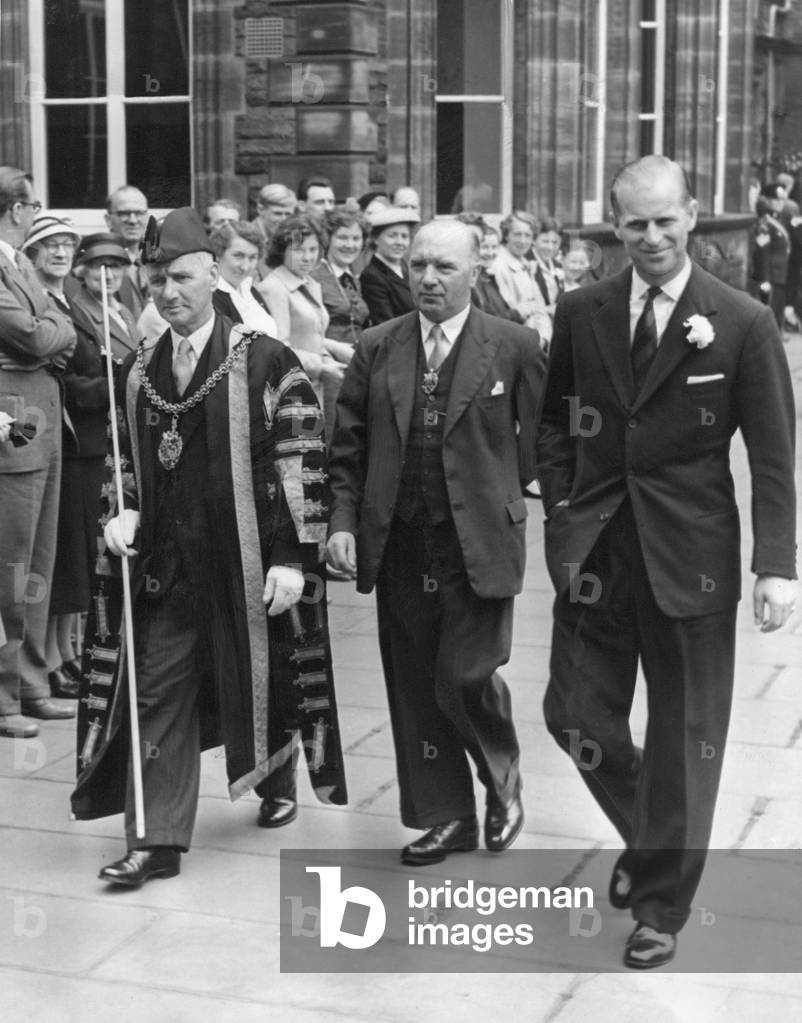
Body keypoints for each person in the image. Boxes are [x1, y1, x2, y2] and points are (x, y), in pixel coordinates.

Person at [535, 154, 796, 969]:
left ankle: (660, 906)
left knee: (687, 737)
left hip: (695, 560)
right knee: (574, 713)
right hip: (597, 555)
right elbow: (553, 423)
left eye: (665, 220)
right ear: (613, 225)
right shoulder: (582, 309)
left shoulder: (742, 320)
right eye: (634, 222)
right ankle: (658, 839)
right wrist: (565, 507)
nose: (651, 236)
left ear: (693, 215)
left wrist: (776, 565)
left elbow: (776, 453)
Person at [73, 207, 347, 885]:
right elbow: (127, 459)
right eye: (159, 277)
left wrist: (291, 557)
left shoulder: (264, 359)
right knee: (158, 688)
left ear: (216, 275)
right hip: (168, 565)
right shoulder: (140, 372)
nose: (169, 290)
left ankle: (277, 777)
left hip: (244, 556)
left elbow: (300, 456)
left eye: (183, 277)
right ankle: (156, 839)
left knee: (259, 672)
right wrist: (124, 510)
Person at [327, 220, 545, 866]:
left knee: (465, 674)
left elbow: (547, 447)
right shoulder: (377, 345)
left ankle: (502, 780)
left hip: (478, 542)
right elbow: (349, 446)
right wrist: (342, 520)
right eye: (418, 264)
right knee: (416, 684)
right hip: (400, 542)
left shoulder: (515, 346)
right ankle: (446, 814)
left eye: (443, 267)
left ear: (475, 271)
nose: (426, 278)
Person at [0, 167, 77, 739]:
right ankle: (5, 698)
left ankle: (31, 681)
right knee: (12, 564)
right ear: (17, 208)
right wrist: (54, 327)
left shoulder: (18, 262)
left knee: (38, 562)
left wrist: (51, 327)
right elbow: (30, 336)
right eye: (31, 205)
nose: (33, 212)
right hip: (15, 428)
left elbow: (49, 329)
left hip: (40, 419)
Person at [257, 214, 351, 439]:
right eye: (299, 250)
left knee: (313, 455)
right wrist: (323, 365)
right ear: (282, 250)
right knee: (299, 459)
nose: (308, 257)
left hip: (312, 386)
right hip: (291, 392)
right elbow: (279, 348)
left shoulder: (309, 282)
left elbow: (312, 333)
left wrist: (337, 349)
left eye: (313, 249)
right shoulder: (275, 288)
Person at [311, 209, 370, 347]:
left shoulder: (354, 278)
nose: (350, 245)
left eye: (356, 238)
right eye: (342, 238)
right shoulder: (315, 277)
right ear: (328, 239)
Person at [208, 220, 277, 337]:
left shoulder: (249, 289)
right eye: (238, 256)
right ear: (218, 254)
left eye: (252, 258)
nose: (245, 267)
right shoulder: (211, 296)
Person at [492, 211, 551, 342]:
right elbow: (513, 313)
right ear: (506, 235)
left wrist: (543, 339)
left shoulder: (525, 264)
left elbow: (539, 308)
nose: (522, 241)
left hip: (534, 342)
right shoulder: (498, 266)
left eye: (528, 235)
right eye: (517, 234)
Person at [359, 206, 420, 325]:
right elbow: (385, 324)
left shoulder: (406, 270)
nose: (399, 242)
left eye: (404, 236)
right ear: (375, 239)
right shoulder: (372, 276)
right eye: (392, 236)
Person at [104, 185, 151, 321]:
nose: (132, 220)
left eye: (139, 213)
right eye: (124, 213)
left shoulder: (158, 260)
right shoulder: (99, 264)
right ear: (108, 220)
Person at [752, 185, 792, 330]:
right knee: (770, 318)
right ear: (767, 200)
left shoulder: (778, 220)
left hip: (780, 276)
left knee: (777, 315)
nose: (781, 202)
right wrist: (765, 279)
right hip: (772, 278)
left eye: (783, 198)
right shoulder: (765, 224)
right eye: (777, 199)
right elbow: (763, 252)